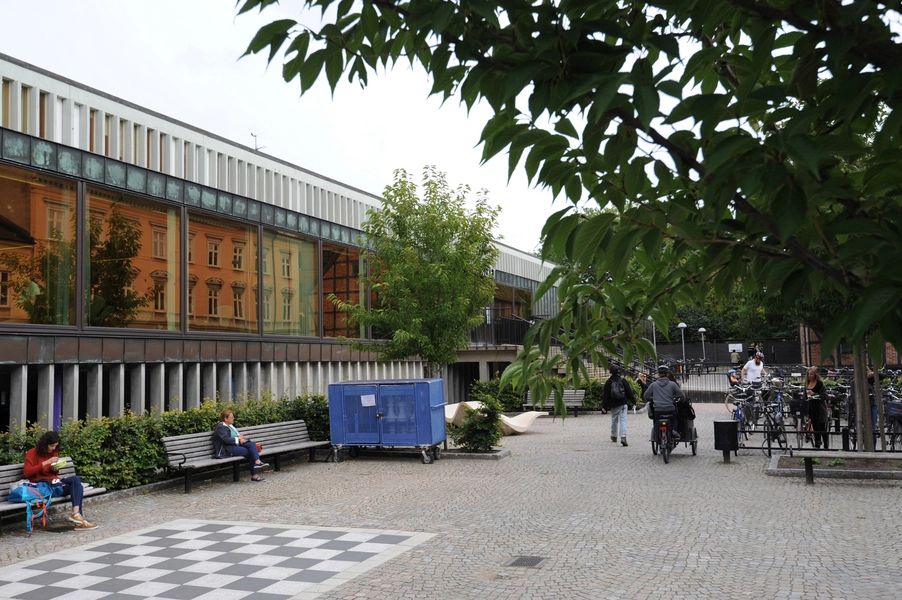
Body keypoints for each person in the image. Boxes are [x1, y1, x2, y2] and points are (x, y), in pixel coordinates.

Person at [23, 431, 99, 530]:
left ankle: (76, 514)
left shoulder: (53, 453)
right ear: (44, 444)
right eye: (51, 446)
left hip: (55, 484)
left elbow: (54, 474)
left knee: (76, 480)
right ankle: (79, 520)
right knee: (78, 486)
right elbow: (27, 473)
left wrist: (55, 468)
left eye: (56, 446)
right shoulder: (32, 453)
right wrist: (46, 462)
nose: (53, 448)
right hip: (44, 487)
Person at [213, 410, 269, 482]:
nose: (233, 418)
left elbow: (237, 436)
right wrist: (238, 439)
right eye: (231, 417)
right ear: (225, 419)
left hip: (236, 445)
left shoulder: (231, 426)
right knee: (251, 452)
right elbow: (225, 440)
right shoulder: (220, 427)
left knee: (252, 444)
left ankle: (257, 462)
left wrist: (241, 439)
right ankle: (255, 475)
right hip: (227, 449)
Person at [643, 365, 687, 439]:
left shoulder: (653, 385)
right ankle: (674, 431)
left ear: (658, 374)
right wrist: (681, 400)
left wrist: (652, 398)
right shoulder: (672, 384)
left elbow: (645, 396)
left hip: (658, 410)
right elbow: (682, 395)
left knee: (656, 422)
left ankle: (657, 434)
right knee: (674, 419)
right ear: (667, 374)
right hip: (670, 409)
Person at [602, 365, 635, 447]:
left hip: (613, 404)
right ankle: (623, 437)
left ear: (610, 372)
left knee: (614, 420)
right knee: (623, 420)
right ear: (618, 371)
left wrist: (604, 407)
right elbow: (629, 391)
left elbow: (606, 395)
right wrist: (633, 401)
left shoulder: (609, 382)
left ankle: (614, 436)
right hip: (623, 403)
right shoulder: (623, 380)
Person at [804, 368, 829, 449]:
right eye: (808, 374)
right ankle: (817, 444)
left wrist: (814, 393)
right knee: (815, 427)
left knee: (822, 427)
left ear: (815, 375)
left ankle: (826, 445)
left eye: (811, 374)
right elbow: (805, 396)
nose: (810, 376)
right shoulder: (807, 384)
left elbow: (824, 396)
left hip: (820, 409)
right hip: (811, 408)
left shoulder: (820, 384)